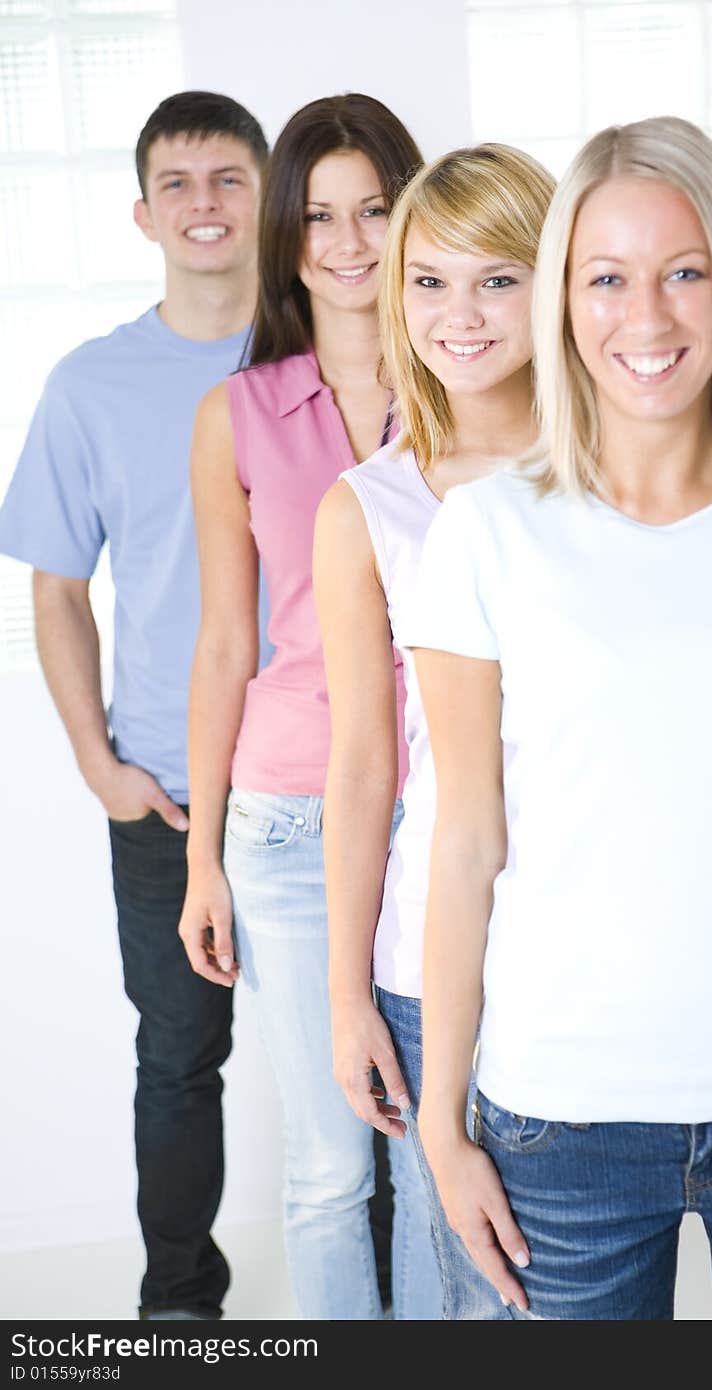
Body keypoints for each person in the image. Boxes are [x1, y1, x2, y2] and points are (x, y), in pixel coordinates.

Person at [408, 116, 712, 1320]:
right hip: (561, 1113)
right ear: (564, 299)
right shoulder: (486, 531)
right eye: (605, 278)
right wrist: (439, 1121)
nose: (648, 316)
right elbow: (465, 840)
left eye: (683, 270)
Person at [0, 92, 268, 1320]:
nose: (204, 203)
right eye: (180, 183)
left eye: (228, 178)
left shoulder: (334, 354)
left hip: (339, 775)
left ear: (267, 194)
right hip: (166, 789)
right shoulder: (93, 384)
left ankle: (386, 1297)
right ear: (143, 211)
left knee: (379, 1060)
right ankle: (177, 1312)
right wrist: (101, 765)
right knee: (177, 1063)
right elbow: (57, 592)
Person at [178, 93, 438, 1321]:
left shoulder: (472, 385)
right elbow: (225, 637)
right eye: (320, 216)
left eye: (376, 210)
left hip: (440, 812)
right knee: (331, 1167)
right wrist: (200, 857)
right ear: (287, 237)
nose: (348, 242)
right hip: (284, 822)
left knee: (443, 1144)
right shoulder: (232, 415)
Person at [313, 144, 554, 1320]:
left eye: (497, 279)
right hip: (424, 959)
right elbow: (363, 764)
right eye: (428, 280)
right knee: (455, 1289)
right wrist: (347, 990)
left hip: (590, 953)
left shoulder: (625, 476)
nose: (459, 315)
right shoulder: (370, 504)